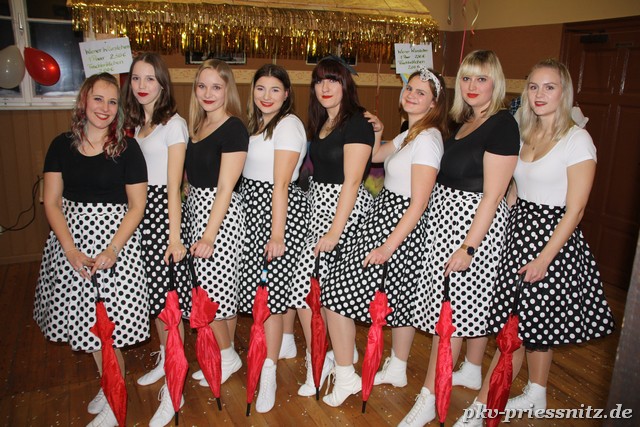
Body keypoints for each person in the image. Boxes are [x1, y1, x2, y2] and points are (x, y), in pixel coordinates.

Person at [453, 59, 615, 427]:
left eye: (549, 87)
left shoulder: (577, 139)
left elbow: (576, 209)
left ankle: (482, 407)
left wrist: (543, 259)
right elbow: (514, 189)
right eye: (533, 87)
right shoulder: (524, 133)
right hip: (518, 233)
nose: (540, 94)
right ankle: (537, 392)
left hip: (552, 242)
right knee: (536, 326)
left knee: (515, 331)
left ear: (564, 92)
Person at [400, 50, 520, 427]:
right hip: (444, 226)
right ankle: (454, 379)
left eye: (481, 79)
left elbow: (493, 196)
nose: (471, 86)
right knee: (449, 317)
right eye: (466, 78)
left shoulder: (502, 125)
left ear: (495, 83)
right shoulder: (465, 120)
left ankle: (429, 397)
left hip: (471, 231)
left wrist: (469, 247)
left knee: (450, 320)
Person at [321, 68, 448, 407]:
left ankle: (347, 374)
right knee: (399, 300)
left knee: (336, 292)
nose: (411, 95)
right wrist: (377, 132)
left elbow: (419, 203)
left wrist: (388, 246)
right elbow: (377, 157)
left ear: (434, 104)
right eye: (410, 88)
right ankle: (398, 367)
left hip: (400, 225)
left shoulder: (428, 140)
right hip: (386, 215)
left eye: (421, 93)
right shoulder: (411, 132)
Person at [33, 73, 148, 427]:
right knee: (87, 325)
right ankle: (108, 384)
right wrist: (69, 250)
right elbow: (52, 201)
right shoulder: (61, 145)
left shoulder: (128, 149)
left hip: (115, 246)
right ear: (84, 100)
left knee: (107, 330)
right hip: (72, 245)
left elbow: (137, 206)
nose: (105, 108)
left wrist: (113, 249)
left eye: (113, 102)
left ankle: (116, 401)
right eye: (98, 99)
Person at [290, 56, 375, 397]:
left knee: (334, 299)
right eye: (319, 80)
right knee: (304, 291)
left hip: (345, 215)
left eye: (333, 80)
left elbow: (352, 182)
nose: (325, 87)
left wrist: (335, 233)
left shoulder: (356, 123)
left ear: (346, 85)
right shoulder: (323, 121)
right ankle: (323, 356)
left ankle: (345, 372)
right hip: (320, 212)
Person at [121, 52, 191, 426]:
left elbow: (174, 186)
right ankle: (167, 359)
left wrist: (174, 238)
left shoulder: (173, 126)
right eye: (136, 78)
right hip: (140, 216)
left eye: (150, 78)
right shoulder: (136, 125)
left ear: (163, 84)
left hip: (165, 218)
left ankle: (175, 390)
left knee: (170, 304)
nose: (142, 85)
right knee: (155, 301)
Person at [237, 64, 308, 412]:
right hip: (253, 211)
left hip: (276, 214)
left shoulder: (289, 125)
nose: (266, 96)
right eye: (260, 88)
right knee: (263, 295)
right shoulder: (257, 124)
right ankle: (278, 349)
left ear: (286, 94)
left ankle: (269, 371)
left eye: (275, 89)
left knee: (272, 298)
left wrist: (276, 234)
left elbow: (281, 184)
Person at [184, 59, 248, 387]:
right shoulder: (197, 126)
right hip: (198, 210)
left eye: (216, 87)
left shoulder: (233, 127)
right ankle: (226, 355)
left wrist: (209, 235)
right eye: (202, 86)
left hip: (220, 218)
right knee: (219, 291)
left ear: (227, 90)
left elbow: (225, 187)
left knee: (210, 293)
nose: (208, 93)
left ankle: (227, 355)